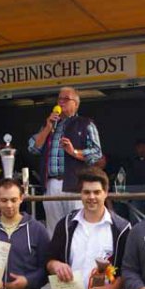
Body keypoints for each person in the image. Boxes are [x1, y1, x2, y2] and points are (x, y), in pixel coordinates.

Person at [28, 87, 103, 235]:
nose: (61, 102)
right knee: (54, 229)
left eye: (66, 99)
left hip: (74, 183)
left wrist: (74, 152)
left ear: (76, 104)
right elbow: (33, 148)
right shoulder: (49, 125)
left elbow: (96, 153)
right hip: (51, 183)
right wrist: (48, 127)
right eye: (59, 99)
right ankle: (56, 251)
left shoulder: (85, 124)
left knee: (77, 227)